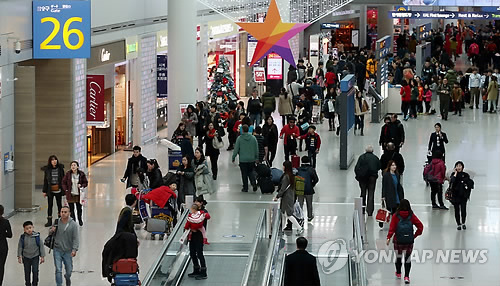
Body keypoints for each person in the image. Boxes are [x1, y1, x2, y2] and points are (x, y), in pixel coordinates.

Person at [386, 199, 424, 285]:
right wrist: (414, 235)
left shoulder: (396, 215)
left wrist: (389, 237)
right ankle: (406, 276)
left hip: (398, 240)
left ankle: (398, 273)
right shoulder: (411, 216)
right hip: (409, 241)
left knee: (398, 257)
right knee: (407, 258)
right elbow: (420, 227)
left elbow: (392, 228)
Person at [50, 206, 79, 286]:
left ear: (69, 213)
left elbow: (75, 238)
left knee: (69, 270)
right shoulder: (56, 222)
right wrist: (51, 230)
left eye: (65, 212)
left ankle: (67, 277)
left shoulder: (73, 225)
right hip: (57, 249)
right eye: (62, 212)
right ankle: (59, 284)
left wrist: (74, 249)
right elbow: (50, 233)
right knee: (58, 269)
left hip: (68, 251)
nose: (63, 214)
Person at [274, 161, 304, 234]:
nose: (282, 167)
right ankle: (283, 228)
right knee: (285, 213)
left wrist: (277, 196)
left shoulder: (286, 177)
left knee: (288, 214)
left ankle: (299, 228)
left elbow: (283, 188)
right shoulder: (291, 176)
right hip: (290, 196)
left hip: (287, 198)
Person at [354, 145, 381, 216]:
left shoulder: (361, 157)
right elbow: (379, 166)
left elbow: (357, 167)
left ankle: (362, 208)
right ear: (372, 151)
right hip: (372, 178)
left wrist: (358, 176)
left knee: (363, 192)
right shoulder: (375, 158)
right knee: (371, 193)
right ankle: (370, 211)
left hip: (363, 178)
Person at [17, 221, 45, 286]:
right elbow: (20, 247)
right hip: (26, 257)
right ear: (24, 229)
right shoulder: (22, 237)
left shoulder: (37, 236)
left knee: (35, 271)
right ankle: (27, 284)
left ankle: (35, 283)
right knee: (27, 272)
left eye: (30, 228)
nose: (29, 230)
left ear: (33, 227)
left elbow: (41, 246)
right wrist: (19, 256)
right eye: (27, 228)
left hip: (35, 256)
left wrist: (42, 256)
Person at [232, 125, 259, 192]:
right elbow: (256, 148)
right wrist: (256, 157)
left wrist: (233, 157)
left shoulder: (239, 138)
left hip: (243, 159)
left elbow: (236, 149)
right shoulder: (253, 138)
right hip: (251, 159)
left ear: (242, 130)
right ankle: (253, 183)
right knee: (251, 172)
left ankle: (245, 187)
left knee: (244, 174)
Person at [61, 161, 88, 226]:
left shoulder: (81, 174)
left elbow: (85, 182)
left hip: (78, 195)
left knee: (79, 208)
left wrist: (81, 185)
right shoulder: (68, 174)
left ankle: (80, 219)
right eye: (72, 165)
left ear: (77, 166)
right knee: (71, 209)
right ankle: (73, 221)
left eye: (74, 165)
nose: (73, 166)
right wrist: (66, 189)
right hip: (71, 194)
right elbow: (63, 182)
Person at [449, 161, 474, 230]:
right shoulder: (453, 175)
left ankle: (463, 223)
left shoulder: (465, 175)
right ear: (455, 167)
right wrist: (455, 174)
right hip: (455, 195)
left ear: (462, 167)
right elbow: (452, 181)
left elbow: (469, 183)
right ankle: (458, 224)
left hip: (463, 196)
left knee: (463, 210)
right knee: (456, 210)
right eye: (457, 166)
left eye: (460, 166)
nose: (458, 167)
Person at [186, 204, 209, 280]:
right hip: (192, 236)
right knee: (192, 252)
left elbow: (206, 218)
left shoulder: (202, 214)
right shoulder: (191, 216)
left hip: (199, 236)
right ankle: (196, 269)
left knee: (199, 253)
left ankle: (203, 272)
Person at [42, 155, 65, 227]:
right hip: (50, 190)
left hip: (58, 189)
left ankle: (60, 220)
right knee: (50, 205)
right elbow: (45, 180)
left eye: (55, 160)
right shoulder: (48, 169)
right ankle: (49, 220)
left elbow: (63, 179)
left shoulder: (60, 168)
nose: (54, 161)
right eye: (52, 160)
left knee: (59, 205)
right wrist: (44, 191)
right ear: (50, 162)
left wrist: (64, 189)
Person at [381, 160, 405, 227]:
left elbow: (398, 185)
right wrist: (383, 196)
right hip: (389, 195)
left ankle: (394, 224)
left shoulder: (397, 175)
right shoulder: (386, 175)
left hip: (396, 195)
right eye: (392, 165)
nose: (394, 167)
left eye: (395, 165)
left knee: (396, 210)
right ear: (389, 166)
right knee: (388, 210)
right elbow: (384, 186)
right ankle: (384, 221)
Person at [296, 156, 319, 222]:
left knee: (300, 203)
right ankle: (309, 216)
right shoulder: (311, 170)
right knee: (309, 204)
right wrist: (312, 184)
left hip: (300, 189)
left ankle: (300, 217)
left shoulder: (298, 169)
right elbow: (316, 179)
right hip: (309, 189)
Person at [0, 205, 12, 286]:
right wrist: (3, 233)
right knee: (1, 266)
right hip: (3, 246)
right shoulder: (6, 222)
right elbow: (10, 235)